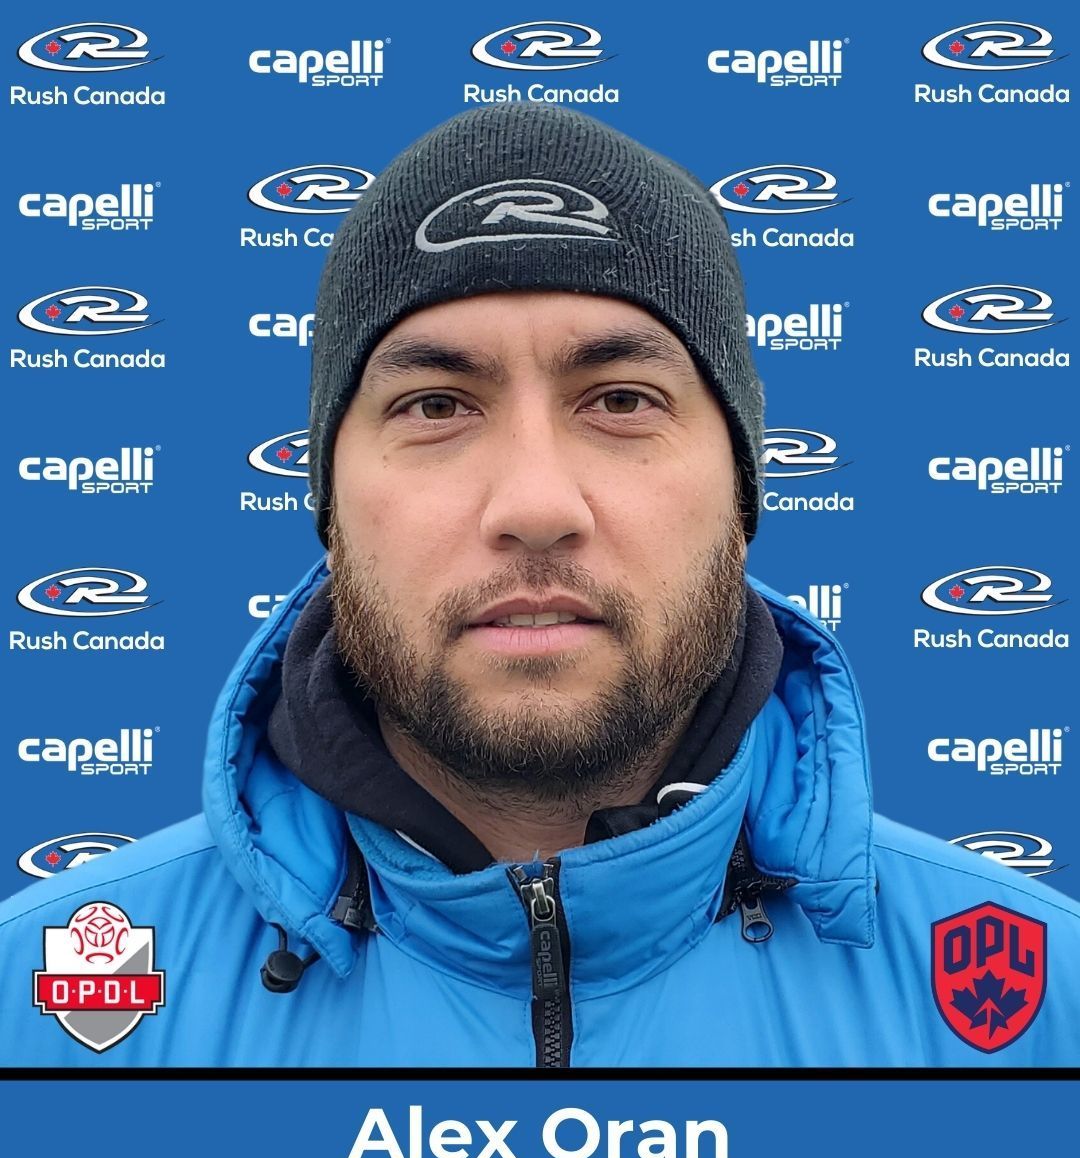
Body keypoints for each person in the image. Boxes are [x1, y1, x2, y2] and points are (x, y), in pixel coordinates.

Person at [2, 105, 1076, 1065]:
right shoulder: (42, 1009)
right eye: (435, 406)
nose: (534, 502)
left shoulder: (1033, 1010)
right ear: (329, 502)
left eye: (621, 400)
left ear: (743, 488)